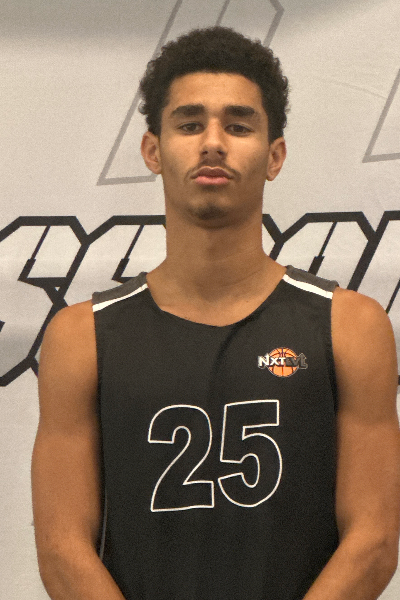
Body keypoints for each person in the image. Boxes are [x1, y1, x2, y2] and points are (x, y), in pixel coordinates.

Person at [31, 26, 400, 600]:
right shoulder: (81, 337)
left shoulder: (350, 327)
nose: (212, 143)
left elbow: (373, 541)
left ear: (274, 156)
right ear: (153, 151)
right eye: (189, 124)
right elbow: (61, 549)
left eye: (238, 125)